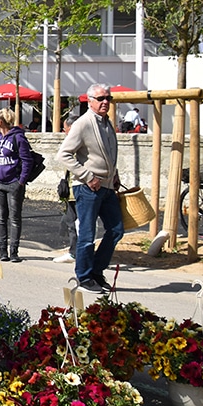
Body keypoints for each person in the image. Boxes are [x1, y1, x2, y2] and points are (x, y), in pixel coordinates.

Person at [56, 83, 125, 295]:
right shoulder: (83, 123)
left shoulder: (107, 122)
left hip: (106, 186)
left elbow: (109, 153)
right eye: (101, 98)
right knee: (87, 234)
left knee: (116, 230)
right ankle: (84, 277)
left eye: (108, 98)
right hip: (88, 188)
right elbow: (63, 155)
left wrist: (115, 176)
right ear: (90, 101)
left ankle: (95, 271)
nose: (106, 102)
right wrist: (87, 177)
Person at [0, 108, 36, 263]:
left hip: (13, 183)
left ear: (0, 121)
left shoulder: (18, 138)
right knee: (1, 217)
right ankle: (2, 251)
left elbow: (27, 160)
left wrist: (21, 181)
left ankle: (14, 251)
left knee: (14, 217)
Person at [54, 114, 81, 264]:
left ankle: (78, 252)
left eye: (65, 129)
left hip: (79, 188)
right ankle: (74, 251)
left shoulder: (79, 143)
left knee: (79, 223)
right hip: (71, 190)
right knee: (71, 222)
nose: (64, 132)